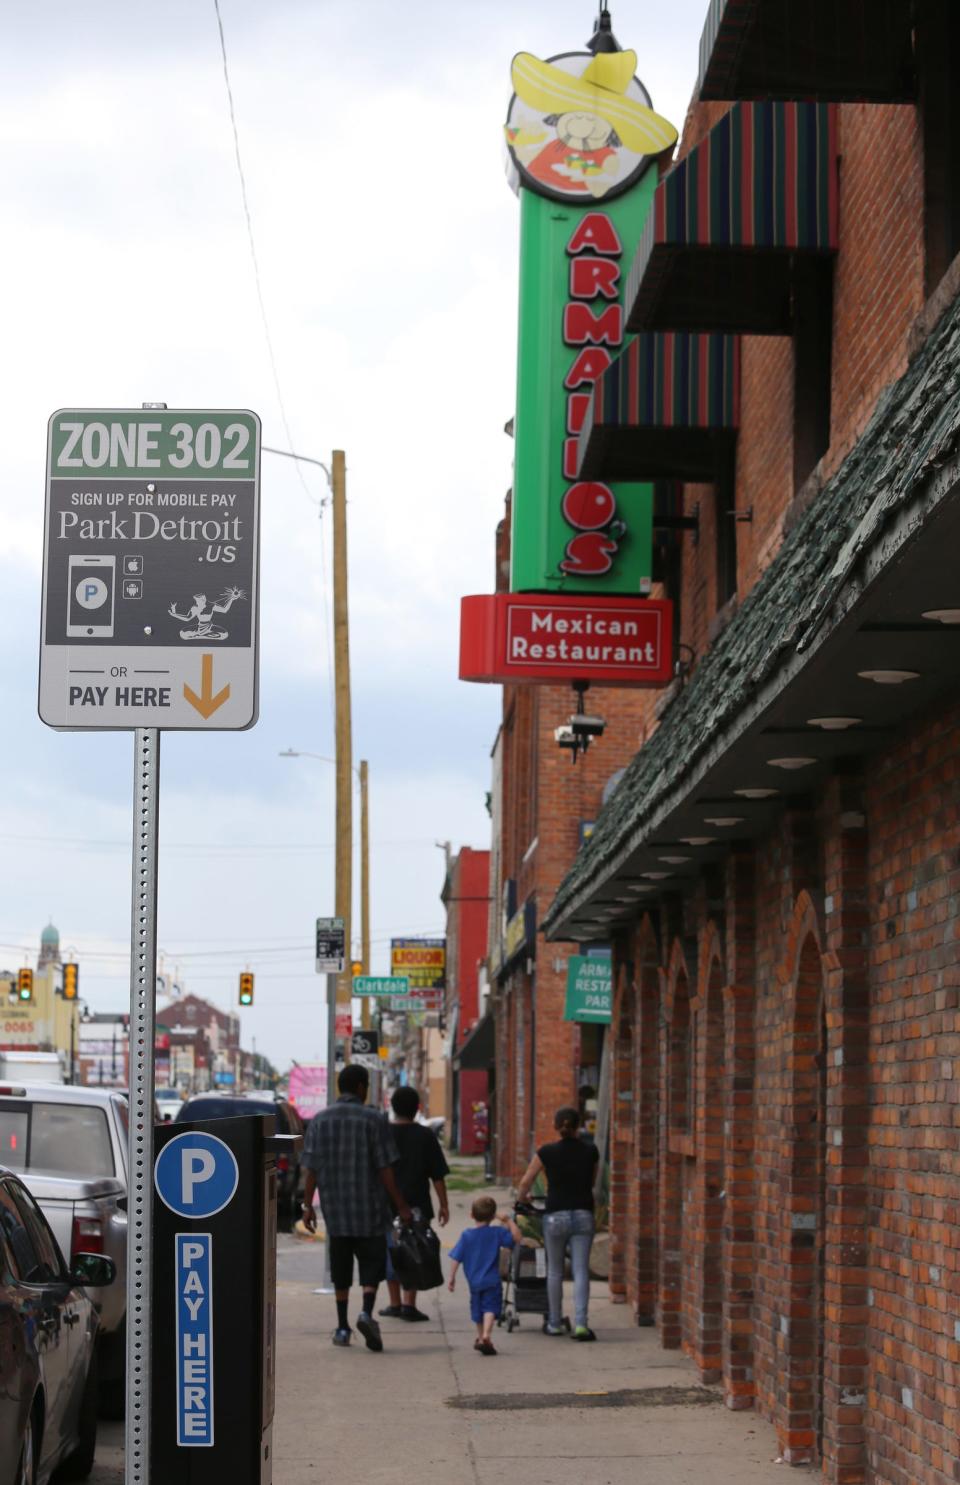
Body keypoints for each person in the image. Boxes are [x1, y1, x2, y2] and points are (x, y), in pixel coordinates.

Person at [301, 1064, 412, 1351]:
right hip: (370, 1210)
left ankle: (341, 1327)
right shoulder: (374, 1119)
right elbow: (385, 1168)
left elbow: (310, 1168)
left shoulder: (320, 1120)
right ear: (362, 1087)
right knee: (371, 1265)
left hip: (336, 1211)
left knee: (340, 1268)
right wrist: (400, 1205)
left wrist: (306, 1205)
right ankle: (366, 1312)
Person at [516, 1105, 599, 1341]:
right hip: (583, 1214)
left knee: (554, 1271)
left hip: (555, 1216)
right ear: (578, 1125)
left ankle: (554, 1323)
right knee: (581, 1269)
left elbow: (525, 1182)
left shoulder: (546, 1152)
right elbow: (591, 1183)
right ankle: (581, 1324)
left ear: (555, 1126)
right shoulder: (591, 1151)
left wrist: (523, 1201)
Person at [380, 1085, 450, 1322]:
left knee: (392, 1251)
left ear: (392, 1107)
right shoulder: (425, 1135)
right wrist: (444, 1204)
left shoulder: (383, 1134)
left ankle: (394, 1303)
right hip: (418, 1205)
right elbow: (437, 1175)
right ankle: (409, 1304)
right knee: (414, 1251)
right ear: (417, 1108)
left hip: (387, 1205)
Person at [447, 1195, 521, 1355]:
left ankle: (481, 1337)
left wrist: (451, 1277)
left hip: (474, 1282)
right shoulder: (497, 1232)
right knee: (490, 1309)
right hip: (492, 1280)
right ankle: (487, 1335)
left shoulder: (466, 1235)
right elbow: (517, 1238)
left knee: (478, 1311)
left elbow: (456, 1258)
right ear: (493, 1216)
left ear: (471, 1215)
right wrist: (508, 1220)